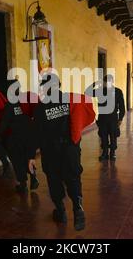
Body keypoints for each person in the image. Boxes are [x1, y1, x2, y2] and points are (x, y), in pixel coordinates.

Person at [29, 72, 86, 231]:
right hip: (70, 150)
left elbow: (36, 132)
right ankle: (78, 209)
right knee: (73, 178)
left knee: (54, 181)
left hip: (50, 151)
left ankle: (61, 211)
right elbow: (81, 119)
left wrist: (31, 155)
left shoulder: (41, 107)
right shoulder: (71, 101)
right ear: (58, 85)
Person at [0, 79, 39, 194]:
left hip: (16, 137)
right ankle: (33, 177)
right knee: (29, 157)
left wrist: (0, 135)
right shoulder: (26, 99)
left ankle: (23, 185)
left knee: (18, 160)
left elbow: (4, 123)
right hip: (29, 134)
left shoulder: (9, 104)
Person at [85, 74, 125, 161]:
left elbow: (122, 106)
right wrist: (94, 84)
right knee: (103, 135)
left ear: (112, 82)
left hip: (113, 118)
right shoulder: (100, 91)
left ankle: (113, 153)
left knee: (113, 135)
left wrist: (120, 118)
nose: (107, 84)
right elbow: (87, 92)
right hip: (102, 117)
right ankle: (104, 152)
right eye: (106, 82)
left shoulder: (118, 91)